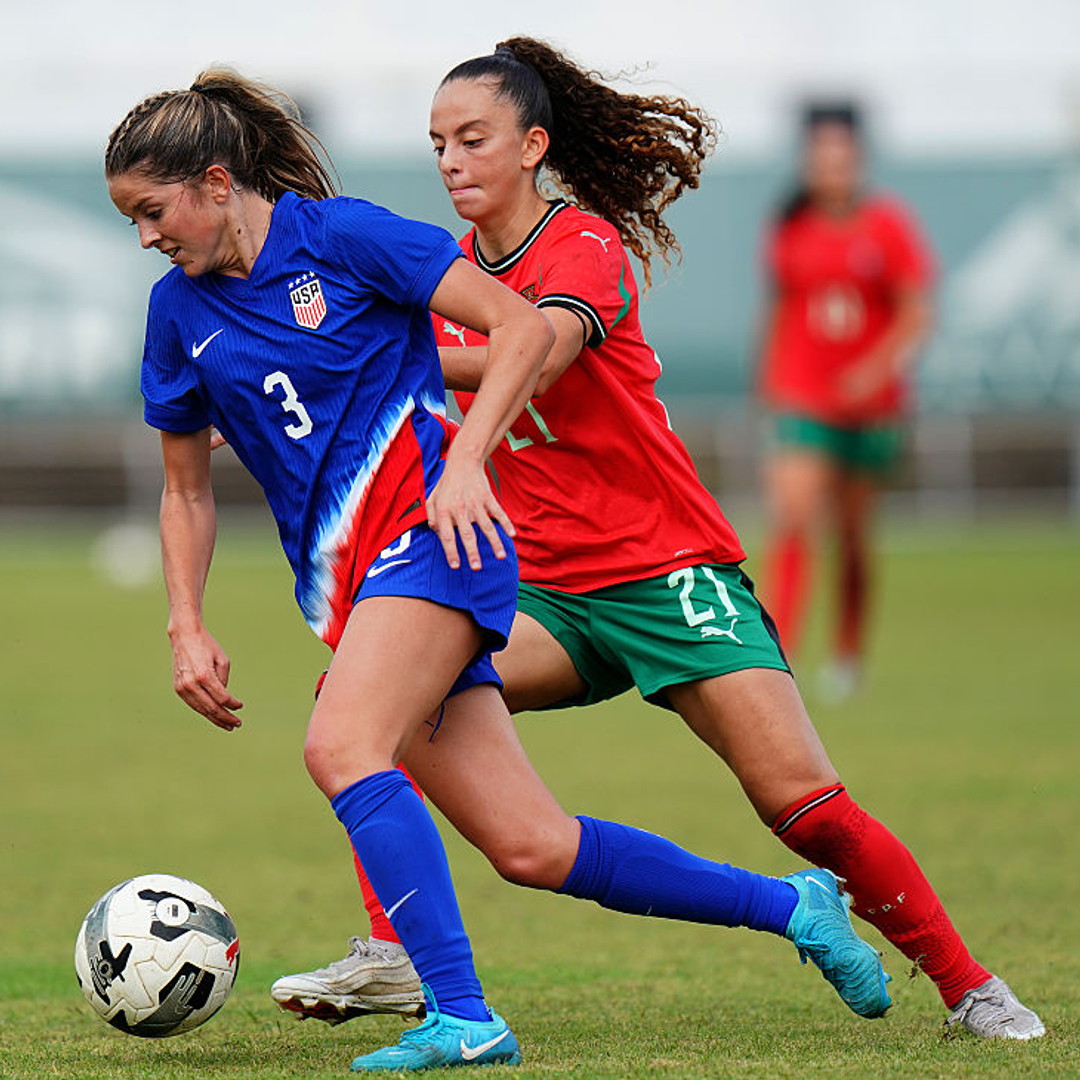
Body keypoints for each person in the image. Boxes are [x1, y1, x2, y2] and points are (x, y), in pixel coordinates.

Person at [107, 70, 892, 1074]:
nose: (146, 238)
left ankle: (462, 1014)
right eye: (132, 219)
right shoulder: (178, 316)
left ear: (216, 182)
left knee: (343, 745)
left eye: (152, 211)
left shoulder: (346, 238)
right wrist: (184, 619)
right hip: (352, 588)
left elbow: (522, 326)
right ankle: (795, 907)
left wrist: (466, 459)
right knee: (532, 846)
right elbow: (184, 491)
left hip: (437, 549)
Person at [271, 40, 1044, 1042]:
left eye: (473, 140)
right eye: (436, 145)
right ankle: (392, 956)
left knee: (802, 803)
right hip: (541, 588)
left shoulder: (580, 246)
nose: (451, 162)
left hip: (667, 573)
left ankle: (969, 984)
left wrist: (391, 356)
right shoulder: (451, 272)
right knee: (369, 702)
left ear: (533, 146)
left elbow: (535, 352)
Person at [758, 103, 934, 699]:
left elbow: (916, 310)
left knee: (854, 537)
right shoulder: (791, 228)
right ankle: (774, 655)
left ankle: (848, 652)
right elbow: (780, 310)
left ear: (858, 162)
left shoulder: (888, 226)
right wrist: (772, 383)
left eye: (842, 157)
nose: (831, 168)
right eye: (821, 157)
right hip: (805, 400)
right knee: (794, 516)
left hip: (872, 407)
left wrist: (874, 369)